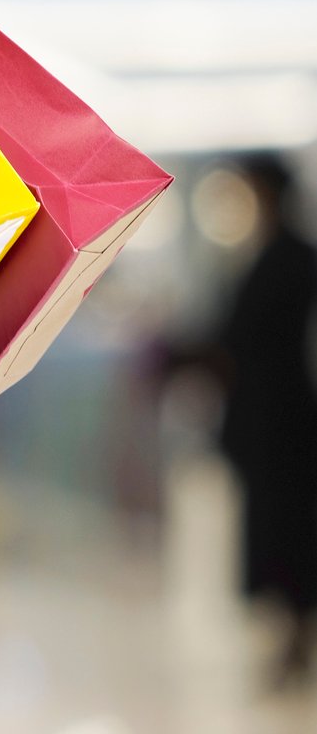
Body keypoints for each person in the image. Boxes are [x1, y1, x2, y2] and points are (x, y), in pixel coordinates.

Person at [205, 155, 317, 686]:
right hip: (268, 418)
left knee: (288, 528)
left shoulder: (291, 258)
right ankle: (288, 636)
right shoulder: (266, 255)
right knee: (276, 528)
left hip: (284, 420)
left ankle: (295, 636)